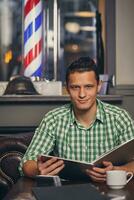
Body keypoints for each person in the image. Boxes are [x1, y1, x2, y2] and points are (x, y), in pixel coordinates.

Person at [19, 57, 134, 182]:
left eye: (88, 87)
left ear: (98, 86)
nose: (82, 94)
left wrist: (116, 171)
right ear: (67, 88)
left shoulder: (119, 118)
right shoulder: (53, 119)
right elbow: (26, 163)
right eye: (75, 87)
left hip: (109, 191)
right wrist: (38, 170)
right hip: (65, 192)